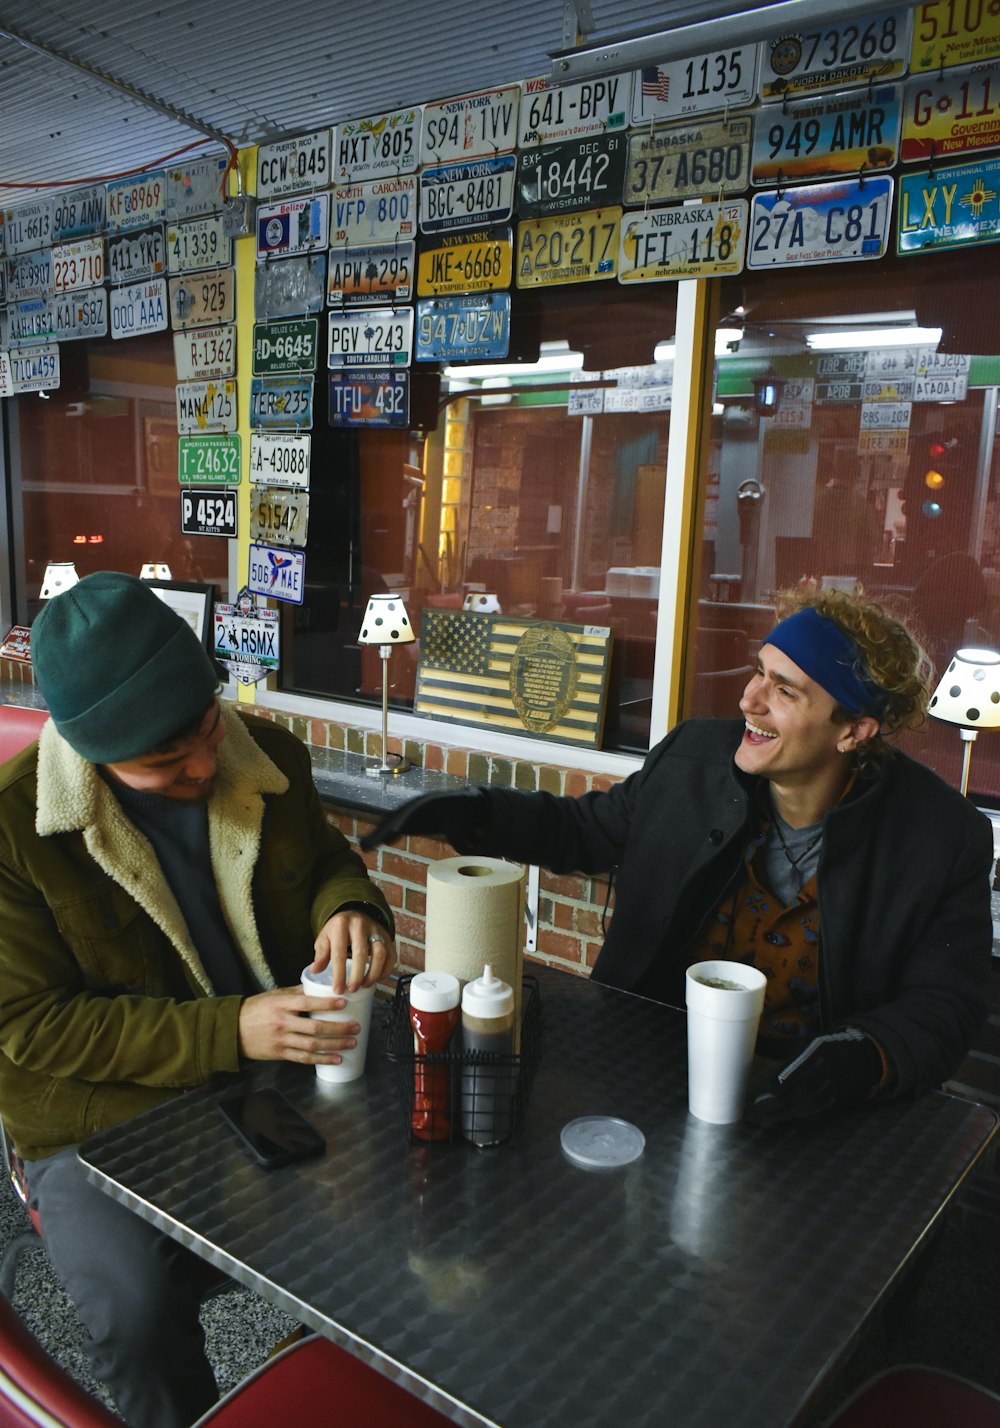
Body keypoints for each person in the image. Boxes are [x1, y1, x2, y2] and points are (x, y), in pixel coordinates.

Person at [0, 572, 395, 1428]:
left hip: (265, 1073)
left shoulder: (271, 754)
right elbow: (31, 1027)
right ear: (91, 754)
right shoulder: (13, 832)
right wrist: (236, 1027)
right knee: (135, 1315)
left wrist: (350, 906)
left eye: (207, 727)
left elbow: (326, 860)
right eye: (165, 761)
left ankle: (335, 1389)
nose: (207, 765)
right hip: (92, 1117)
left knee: (395, 1213)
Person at [365, 586, 993, 1124]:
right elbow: (583, 829)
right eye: (758, 672)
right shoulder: (693, 759)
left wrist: (862, 1056)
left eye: (785, 690)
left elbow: (947, 1005)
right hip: (645, 1068)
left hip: (809, 1102)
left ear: (854, 731)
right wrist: (476, 813)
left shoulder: (940, 836)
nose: (749, 699)